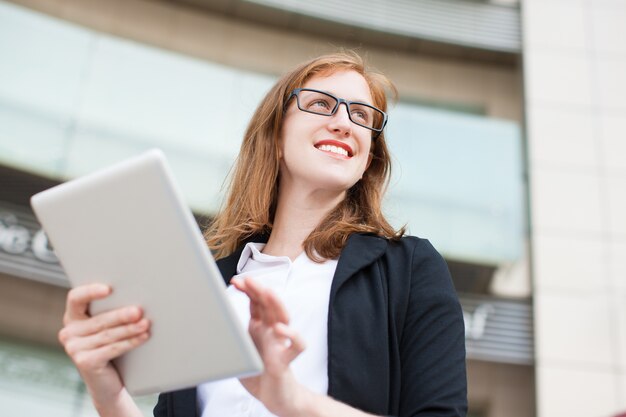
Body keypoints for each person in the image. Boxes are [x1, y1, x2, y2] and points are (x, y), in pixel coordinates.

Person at [58, 51, 468, 417]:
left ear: (367, 160)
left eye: (362, 116)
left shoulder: (409, 269)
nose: (344, 122)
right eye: (322, 104)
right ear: (275, 138)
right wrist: (108, 396)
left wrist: (290, 399)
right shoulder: (213, 283)